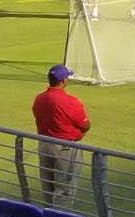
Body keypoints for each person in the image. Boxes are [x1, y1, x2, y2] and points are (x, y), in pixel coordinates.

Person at [31, 63, 91, 206]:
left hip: (44, 145)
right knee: (64, 189)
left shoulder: (39, 98)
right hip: (65, 148)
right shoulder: (70, 101)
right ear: (63, 81)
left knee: (48, 186)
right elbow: (85, 124)